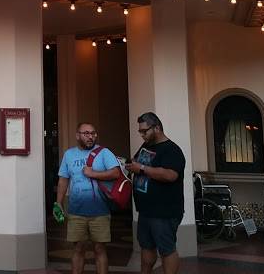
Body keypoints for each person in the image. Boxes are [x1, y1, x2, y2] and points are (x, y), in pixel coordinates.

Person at [56, 122, 122, 274]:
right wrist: (58, 202)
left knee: (100, 248)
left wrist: (93, 174)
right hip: (76, 210)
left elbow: (115, 173)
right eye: (86, 133)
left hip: (100, 210)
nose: (90, 137)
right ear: (77, 135)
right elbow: (63, 180)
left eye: (93, 133)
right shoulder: (69, 154)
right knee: (78, 248)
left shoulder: (104, 153)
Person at [126, 112, 185, 274]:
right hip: (145, 210)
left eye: (145, 131)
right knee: (146, 246)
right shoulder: (146, 146)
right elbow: (137, 162)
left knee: (167, 250)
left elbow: (170, 175)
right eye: (140, 131)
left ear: (157, 128)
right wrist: (128, 164)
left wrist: (142, 168)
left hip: (164, 212)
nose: (142, 135)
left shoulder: (172, 150)